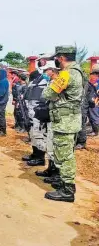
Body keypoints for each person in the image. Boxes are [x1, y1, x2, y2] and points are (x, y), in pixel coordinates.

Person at [43, 46, 84, 203]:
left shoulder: (67, 73)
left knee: (65, 156)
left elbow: (47, 93)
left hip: (65, 122)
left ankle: (67, 190)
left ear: (61, 58)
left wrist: (52, 85)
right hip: (70, 120)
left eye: (56, 58)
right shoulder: (78, 71)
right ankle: (64, 183)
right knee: (65, 153)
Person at [22, 56, 50, 167]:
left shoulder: (42, 81)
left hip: (38, 114)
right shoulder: (35, 80)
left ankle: (40, 157)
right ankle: (35, 154)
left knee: (38, 135)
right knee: (33, 134)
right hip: (32, 113)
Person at [76, 64, 99, 148]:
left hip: (85, 105)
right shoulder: (85, 83)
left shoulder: (89, 84)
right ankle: (79, 141)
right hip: (82, 105)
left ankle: (82, 142)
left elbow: (91, 98)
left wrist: (92, 102)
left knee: (82, 122)